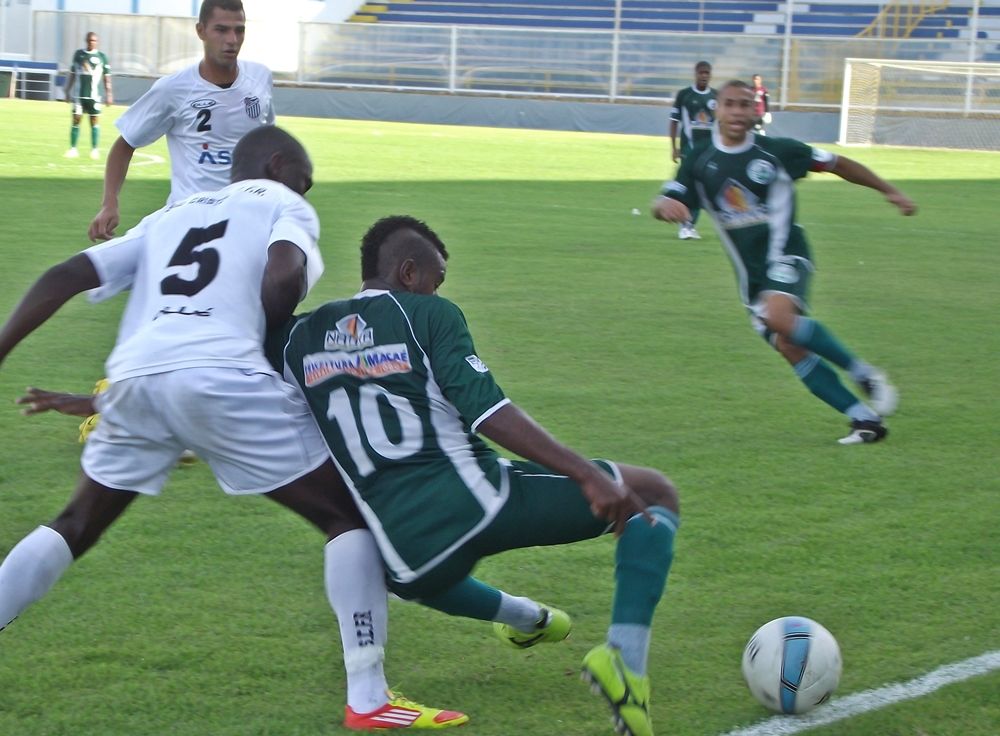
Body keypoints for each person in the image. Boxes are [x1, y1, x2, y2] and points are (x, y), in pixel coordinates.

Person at [0, 127, 466, 731]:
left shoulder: (168, 216)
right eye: (305, 178)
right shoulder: (282, 203)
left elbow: (68, 273)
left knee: (75, 523)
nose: (307, 189)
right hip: (223, 379)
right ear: (276, 166)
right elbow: (282, 275)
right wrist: (272, 330)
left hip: (136, 378)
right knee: (347, 516)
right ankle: (369, 698)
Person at [267, 215, 682, 736]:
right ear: (410, 272)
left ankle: (531, 620)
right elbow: (489, 412)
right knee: (654, 492)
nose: (439, 289)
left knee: (420, 573)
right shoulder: (427, 314)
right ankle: (625, 660)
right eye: (437, 279)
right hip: (476, 500)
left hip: (404, 559)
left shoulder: (298, 338)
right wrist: (585, 474)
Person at [652, 80, 916, 445]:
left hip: (788, 253)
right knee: (789, 346)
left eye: (746, 105)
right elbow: (669, 195)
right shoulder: (699, 158)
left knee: (779, 318)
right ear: (718, 109)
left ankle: (865, 375)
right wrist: (663, 206)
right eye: (731, 104)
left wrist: (890, 191)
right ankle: (865, 420)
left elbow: (838, 163)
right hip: (751, 276)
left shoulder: (777, 151)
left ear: (755, 110)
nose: (738, 112)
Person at [88, 0, 274, 242]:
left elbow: (268, 143)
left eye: (239, 30)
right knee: (104, 270)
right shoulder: (173, 89)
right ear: (201, 31)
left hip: (244, 223)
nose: (232, 39)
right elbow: (125, 144)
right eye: (221, 29)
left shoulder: (260, 78)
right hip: (187, 221)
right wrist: (109, 203)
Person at [669, 60, 716, 240]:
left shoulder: (716, 97)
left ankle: (688, 224)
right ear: (695, 74)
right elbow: (674, 121)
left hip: (710, 152)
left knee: (704, 189)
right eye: (701, 73)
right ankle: (686, 225)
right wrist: (674, 147)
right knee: (693, 186)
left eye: (707, 73)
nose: (704, 76)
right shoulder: (684, 95)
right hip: (689, 150)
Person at [64, 31, 112, 160]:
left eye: (94, 40)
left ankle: (94, 150)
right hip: (79, 96)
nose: (92, 42)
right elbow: (73, 74)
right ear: (86, 41)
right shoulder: (78, 55)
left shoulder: (102, 57)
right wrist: (67, 90)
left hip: (94, 97)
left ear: (97, 42)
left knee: (94, 123)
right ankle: (73, 149)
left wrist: (109, 94)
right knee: (76, 121)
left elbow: (107, 78)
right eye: (90, 40)